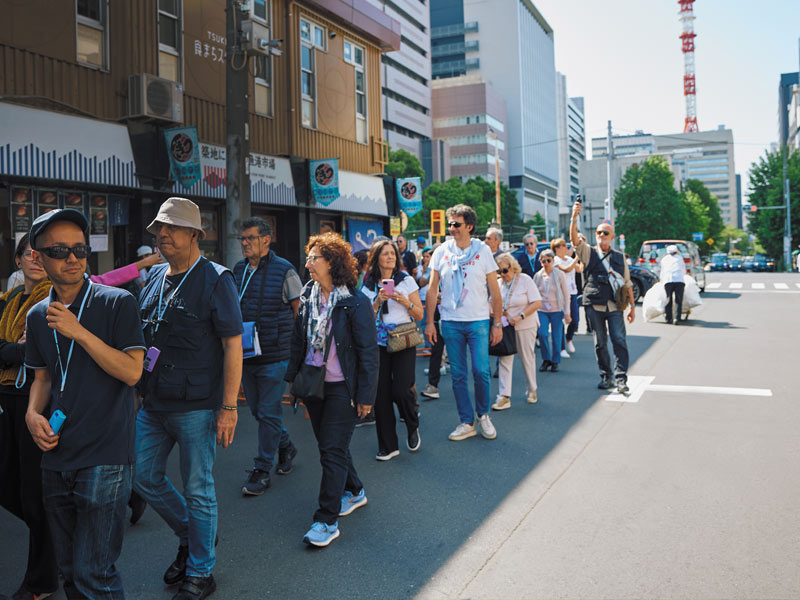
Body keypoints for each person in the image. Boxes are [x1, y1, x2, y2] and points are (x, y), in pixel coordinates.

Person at [23, 209, 146, 599]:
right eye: (60, 250)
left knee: (96, 574)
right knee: (69, 573)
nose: (72, 257)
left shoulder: (117, 302)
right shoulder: (37, 314)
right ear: (38, 257)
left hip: (106, 453)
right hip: (57, 454)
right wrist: (30, 414)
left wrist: (79, 332)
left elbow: (132, 372)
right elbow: (42, 376)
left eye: (80, 248)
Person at [133, 198, 243, 599]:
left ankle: (200, 571)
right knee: (142, 476)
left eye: (171, 229)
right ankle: (194, 536)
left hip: (197, 406)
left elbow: (233, 345)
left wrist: (229, 407)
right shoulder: (155, 277)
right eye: (158, 230)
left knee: (199, 488)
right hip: (153, 403)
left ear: (195, 234)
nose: (161, 235)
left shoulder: (216, 278)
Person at [285, 233, 378, 547]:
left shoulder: (355, 302)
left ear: (333, 263)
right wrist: (292, 381)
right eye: (308, 257)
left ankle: (326, 520)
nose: (308, 264)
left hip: (343, 388)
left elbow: (368, 353)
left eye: (314, 258)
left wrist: (365, 397)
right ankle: (354, 490)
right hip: (313, 384)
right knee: (331, 445)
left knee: (330, 451)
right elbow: (299, 338)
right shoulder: (310, 292)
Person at [0, 234, 58, 600]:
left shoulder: (54, 298)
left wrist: (10, 351)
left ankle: (42, 580)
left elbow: (37, 351)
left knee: (35, 496)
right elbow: (14, 349)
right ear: (19, 260)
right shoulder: (12, 300)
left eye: (43, 253)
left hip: (35, 399)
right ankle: (60, 537)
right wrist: (10, 349)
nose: (36, 259)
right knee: (8, 487)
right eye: (29, 253)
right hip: (6, 398)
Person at [233, 217, 302, 496]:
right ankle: (285, 446)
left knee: (269, 411)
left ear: (266, 239)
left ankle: (262, 469)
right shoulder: (237, 270)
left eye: (250, 238)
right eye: (242, 239)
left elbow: (300, 313)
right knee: (259, 411)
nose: (245, 243)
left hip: (276, 354)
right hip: (247, 355)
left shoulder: (285, 270)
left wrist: (299, 354)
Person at [425, 204, 503, 441]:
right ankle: (466, 421)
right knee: (458, 375)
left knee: (481, 371)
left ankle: (483, 415)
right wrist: (429, 322)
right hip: (450, 321)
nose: (452, 228)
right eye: (450, 224)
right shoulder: (441, 251)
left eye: (456, 224)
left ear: (469, 227)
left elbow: (494, 290)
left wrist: (497, 323)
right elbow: (431, 289)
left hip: (478, 321)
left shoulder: (482, 250)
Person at [361, 240, 423, 460]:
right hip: (378, 342)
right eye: (385, 254)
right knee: (381, 395)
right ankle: (388, 446)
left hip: (403, 339)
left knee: (401, 389)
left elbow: (419, 315)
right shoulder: (367, 283)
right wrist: (377, 302)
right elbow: (363, 317)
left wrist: (405, 302)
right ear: (376, 257)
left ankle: (412, 424)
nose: (390, 257)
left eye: (393, 254)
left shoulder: (406, 280)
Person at [569, 202, 635, 393]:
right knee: (600, 343)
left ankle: (621, 379)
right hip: (595, 305)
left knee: (619, 340)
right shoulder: (588, 252)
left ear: (612, 237)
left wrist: (632, 307)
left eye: (606, 233)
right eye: (599, 233)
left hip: (615, 306)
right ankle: (607, 376)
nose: (602, 236)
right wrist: (574, 216)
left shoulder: (619, 256)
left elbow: (627, 282)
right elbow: (574, 239)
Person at [491, 253, 542, 410]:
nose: (502, 275)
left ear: (512, 267)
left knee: (526, 357)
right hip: (506, 326)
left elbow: (537, 302)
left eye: (504, 271)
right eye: (498, 272)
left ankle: (532, 389)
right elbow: (490, 303)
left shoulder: (525, 279)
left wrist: (520, 316)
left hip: (525, 324)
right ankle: (504, 396)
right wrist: (494, 314)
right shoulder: (498, 284)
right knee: (504, 359)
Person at [533, 249, 571, 372]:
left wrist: (567, 312)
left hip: (556, 310)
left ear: (553, 261)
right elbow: (533, 294)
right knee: (542, 333)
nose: (546, 263)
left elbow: (566, 294)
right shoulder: (538, 276)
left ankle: (555, 361)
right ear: (540, 262)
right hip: (542, 310)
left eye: (549, 260)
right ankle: (546, 359)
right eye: (543, 260)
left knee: (556, 336)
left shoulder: (559, 274)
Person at [417, 246, 444, 400]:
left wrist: (444, 296)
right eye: (430, 256)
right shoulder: (430, 271)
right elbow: (421, 283)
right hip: (436, 315)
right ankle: (433, 386)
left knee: (457, 354)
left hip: (453, 316)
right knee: (436, 349)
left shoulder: (452, 269)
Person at [552, 239, 582, 354]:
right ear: (557, 248)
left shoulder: (569, 259)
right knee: (562, 320)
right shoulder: (555, 260)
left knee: (575, 319)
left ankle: (569, 339)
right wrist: (577, 257)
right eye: (564, 245)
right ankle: (561, 348)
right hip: (560, 294)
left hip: (572, 293)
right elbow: (567, 269)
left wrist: (583, 253)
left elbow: (579, 269)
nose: (566, 247)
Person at [660, 244, 685, 325]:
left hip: (667, 281)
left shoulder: (664, 259)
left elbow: (662, 271)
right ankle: (677, 318)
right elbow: (683, 269)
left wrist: (661, 280)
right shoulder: (680, 258)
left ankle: (668, 318)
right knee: (678, 300)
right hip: (679, 280)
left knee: (668, 299)